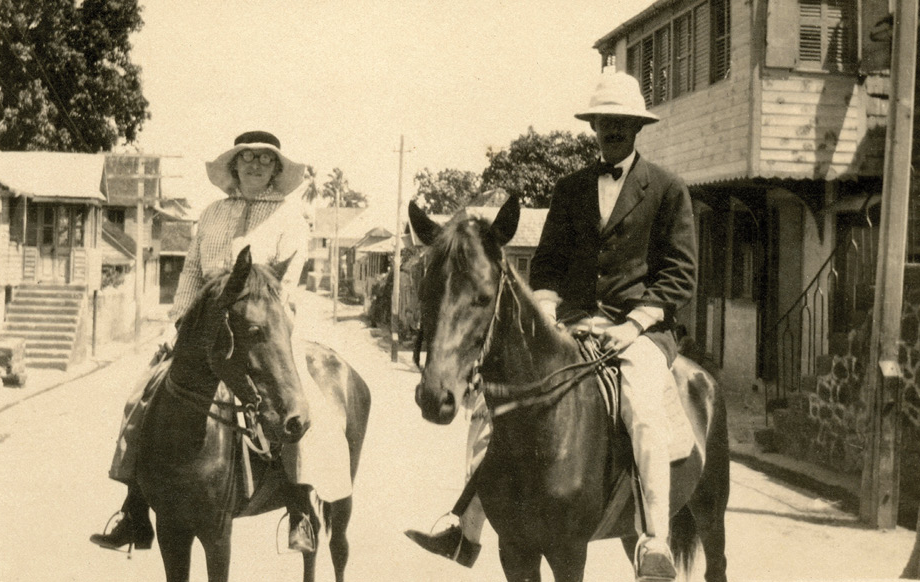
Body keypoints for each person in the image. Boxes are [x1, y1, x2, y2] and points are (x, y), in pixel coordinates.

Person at [404, 72, 697, 582]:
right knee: (491, 403)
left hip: (641, 330)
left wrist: (633, 325)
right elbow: (548, 265)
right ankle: (464, 527)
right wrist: (545, 311)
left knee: (643, 407)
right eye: (604, 121)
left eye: (622, 122)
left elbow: (680, 272)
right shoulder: (570, 189)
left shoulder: (668, 189)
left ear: (636, 128)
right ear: (594, 126)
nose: (612, 130)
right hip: (574, 323)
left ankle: (654, 539)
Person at [90, 130, 351, 554]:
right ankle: (135, 507)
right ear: (234, 164)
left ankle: (301, 506)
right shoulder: (212, 213)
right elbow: (192, 271)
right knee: (143, 391)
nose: (255, 164)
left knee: (298, 402)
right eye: (247, 157)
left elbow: (285, 284)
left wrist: (262, 320)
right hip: (204, 327)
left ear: (276, 168)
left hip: (265, 326)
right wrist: (178, 324)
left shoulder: (289, 217)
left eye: (265, 159)